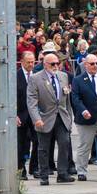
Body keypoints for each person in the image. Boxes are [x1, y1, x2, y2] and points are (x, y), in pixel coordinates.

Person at [27, 49, 75, 186]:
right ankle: (43, 174)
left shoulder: (63, 76)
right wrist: (36, 118)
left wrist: (69, 117)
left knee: (65, 143)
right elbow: (31, 102)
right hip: (45, 117)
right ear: (45, 64)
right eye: (52, 64)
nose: (56, 66)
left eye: (57, 63)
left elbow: (67, 99)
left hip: (61, 116)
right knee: (43, 148)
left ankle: (62, 173)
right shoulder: (35, 78)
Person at [69, 53, 97, 181]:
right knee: (85, 146)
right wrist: (83, 110)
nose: (95, 66)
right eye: (92, 64)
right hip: (86, 119)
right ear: (85, 65)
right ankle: (81, 171)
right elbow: (75, 98)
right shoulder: (78, 80)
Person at [16, 49, 37, 177]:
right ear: (22, 62)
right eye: (28, 62)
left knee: (38, 141)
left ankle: (34, 167)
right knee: (21, 143)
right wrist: (14, 115)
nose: (31, 65)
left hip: (35, 115)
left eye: (33, 62)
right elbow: (11, 97)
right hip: (21, 114)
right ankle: (20, 168)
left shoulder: (37, 75)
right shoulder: (15, 76)